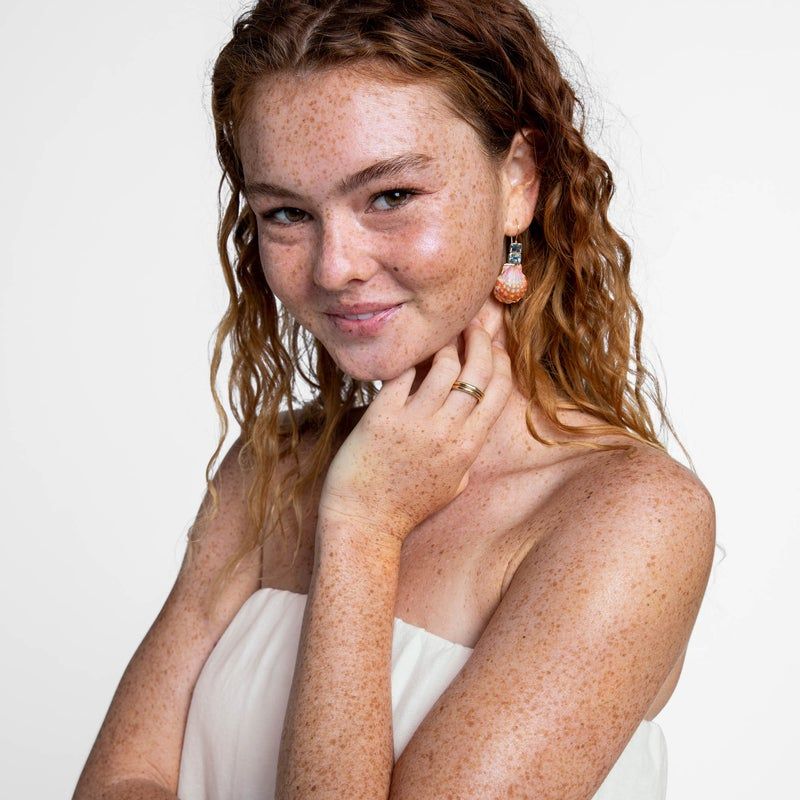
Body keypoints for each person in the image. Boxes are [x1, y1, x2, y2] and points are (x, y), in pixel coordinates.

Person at [72, 1, 717, 798]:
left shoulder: (631, 519)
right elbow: (116, 783)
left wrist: (364, 527)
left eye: (390, 196)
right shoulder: (273, 465)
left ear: (518, 180)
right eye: (286, 212)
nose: (334, 265)